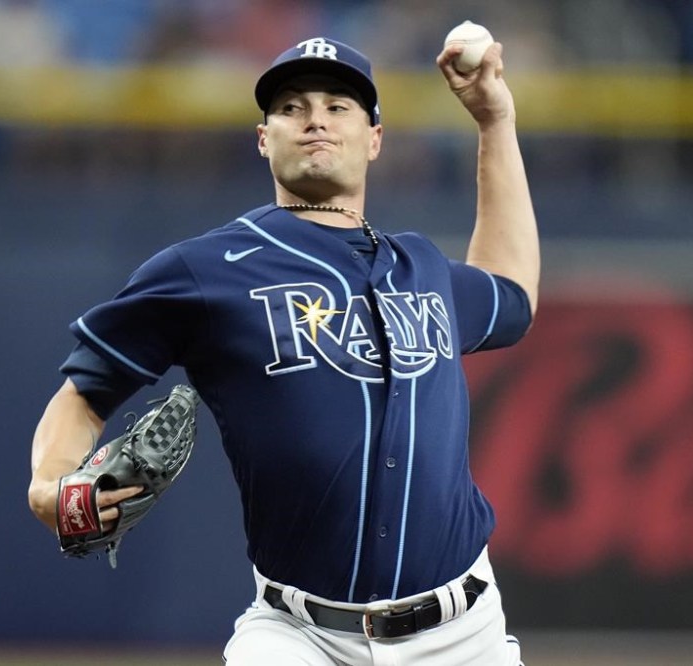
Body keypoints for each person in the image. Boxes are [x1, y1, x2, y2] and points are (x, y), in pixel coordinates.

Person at [28, 34, 539, 665]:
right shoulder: (205, 269)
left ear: (374, 139)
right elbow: (84, 394)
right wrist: (48, 486)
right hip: (300, 635)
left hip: (465, 634)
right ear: (264, 139)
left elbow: (512, 294)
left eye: (338, 106)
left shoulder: (423, 268)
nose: (316, 119)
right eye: (293, 107)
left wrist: (494, 120)